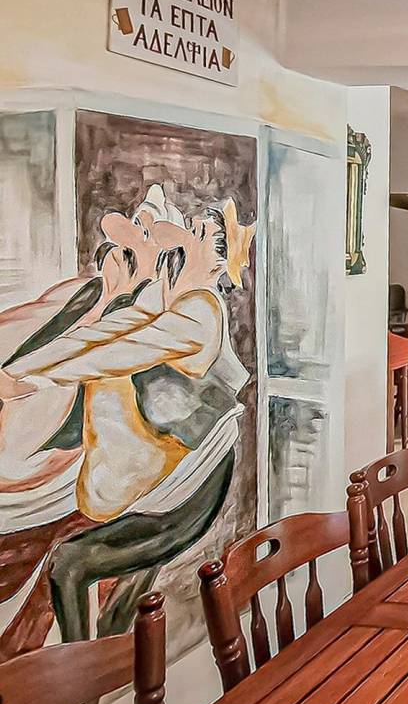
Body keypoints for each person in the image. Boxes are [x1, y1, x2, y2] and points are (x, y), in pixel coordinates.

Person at [0, 191, 254, 649]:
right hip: (153, 455)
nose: (187, 234)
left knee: (70, 564)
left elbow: (120, 352)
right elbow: (107, 333)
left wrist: (34, 380)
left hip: (190, 480)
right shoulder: (170, 291)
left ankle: (83, 665)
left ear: (218, 261)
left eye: (199, 233)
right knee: (90, 570)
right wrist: (20, 371)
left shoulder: (200, 314)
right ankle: (100, 657)